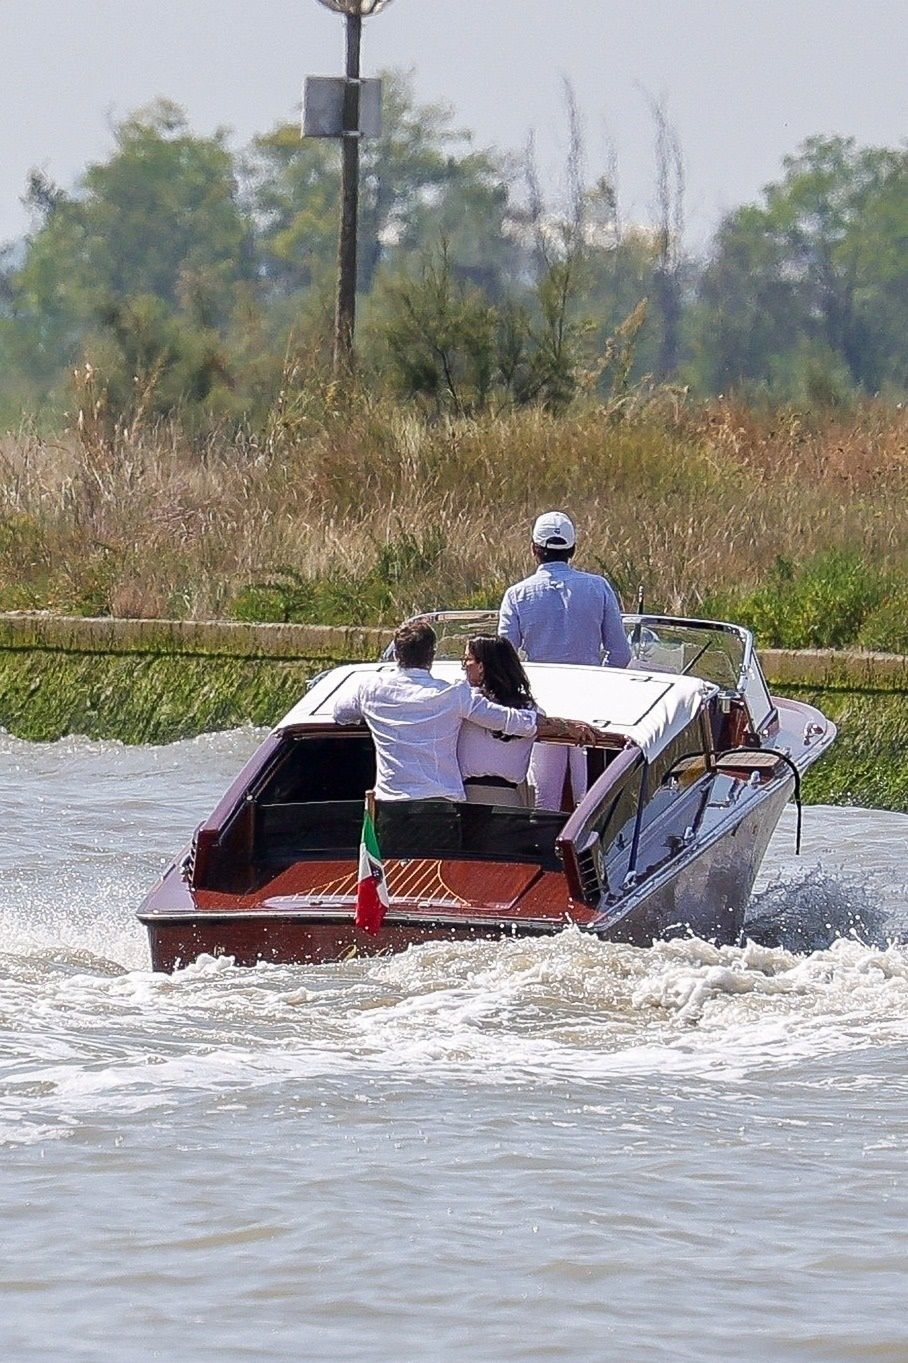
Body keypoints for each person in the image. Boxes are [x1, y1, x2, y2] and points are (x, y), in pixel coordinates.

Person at [332, 617, 539, 856]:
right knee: (438, 876)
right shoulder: (453, 693)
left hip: (391, 805)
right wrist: (537, 721)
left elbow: (340, 713)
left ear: (397, 654)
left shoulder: (370, 689)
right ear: (431, 655)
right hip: (438, 805)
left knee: (395, 876)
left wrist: (367, 716)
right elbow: (506, 720)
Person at [498, 510, 631, 810]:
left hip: (544, 702)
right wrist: (600, 682)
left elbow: (505, 658)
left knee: (544, 796)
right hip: (592, 700)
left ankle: (544, 840)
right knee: (590, 797)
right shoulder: (599, 587)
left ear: (534, 549)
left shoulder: (516, 595)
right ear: (573, 550)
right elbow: (621, 654)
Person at [457, 635, 607, 807]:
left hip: (469, 798)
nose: (463, 666)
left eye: (467, 659)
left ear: (481, 666)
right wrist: (565, 726)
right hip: (509, 800)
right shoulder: (529, 709)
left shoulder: (466, 701)